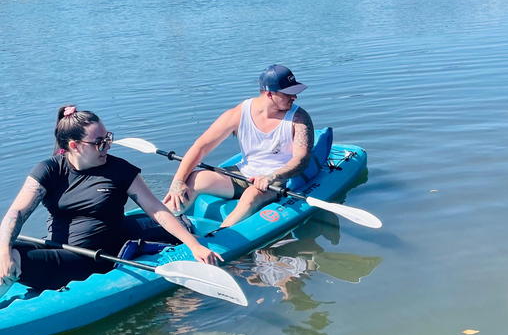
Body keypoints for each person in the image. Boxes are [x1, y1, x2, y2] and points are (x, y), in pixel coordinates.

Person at [0, 106, 222, 295]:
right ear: (74, 146)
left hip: (93, 259)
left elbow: (156, 210)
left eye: (108, 139)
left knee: (17, 260)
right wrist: (3, 253)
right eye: (99, 143)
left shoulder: (120, 170)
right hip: (58, 248)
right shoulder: (48, 169)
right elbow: (16, 213)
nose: (107, 146)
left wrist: (194, 245)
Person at [163, 64, 314, 229]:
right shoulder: (239, 113)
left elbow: (301, 159)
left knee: (251, 194)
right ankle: (162, 223)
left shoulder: (299, 118)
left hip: (275, 180)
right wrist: (178, 180)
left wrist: (272, 176)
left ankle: (219, 236)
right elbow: (201, 146)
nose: (295, 97)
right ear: (270, 94)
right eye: (289, 93)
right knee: (194, 178)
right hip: (244, 174)